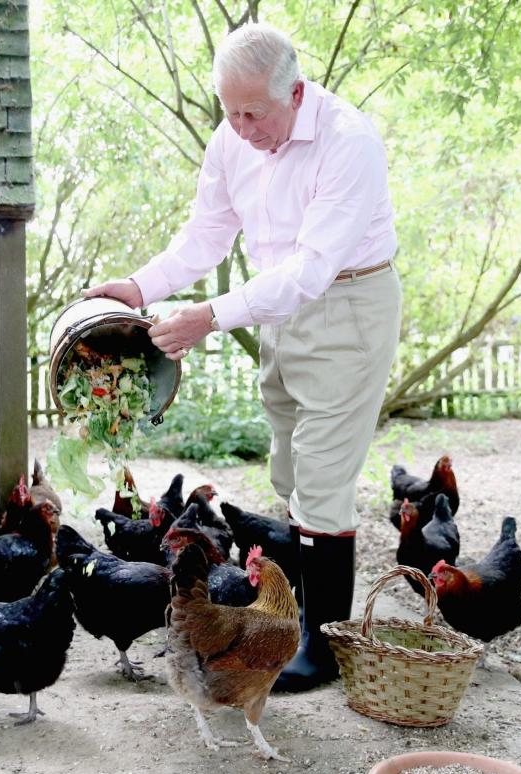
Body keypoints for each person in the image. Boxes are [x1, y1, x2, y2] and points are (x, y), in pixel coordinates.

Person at [84, 22, 401, 692]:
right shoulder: (232, 136)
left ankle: (320, 650)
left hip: (346, 305)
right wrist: (141, 287)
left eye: (253, 113)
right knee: (288, 471)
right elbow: (206, 231)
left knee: (319, 475)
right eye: (229, 112)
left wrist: (207, 317)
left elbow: (313, 268)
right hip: (274, 308)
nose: (241, 129)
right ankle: (296, 618)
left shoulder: (349, 142)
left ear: (295, 91)